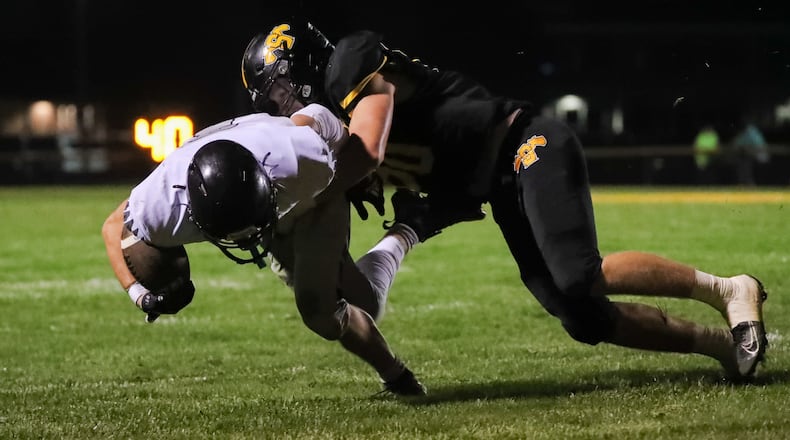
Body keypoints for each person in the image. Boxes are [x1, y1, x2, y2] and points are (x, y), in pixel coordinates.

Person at [239, 19, 769, 380]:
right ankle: (719, 347)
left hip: (524, 141)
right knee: (581, 317)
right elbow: (360, 275)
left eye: (280, 91)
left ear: (299, 68)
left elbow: (370, 150)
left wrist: (302, 198)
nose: (281, 107)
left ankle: (729, 289)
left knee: (578, 274)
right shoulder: (329, 135)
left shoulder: (348, 65)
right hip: (494, 183)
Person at [101, 103, 427, 396]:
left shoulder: (300, 159)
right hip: (265, 199)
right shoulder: (159, 207)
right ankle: (397, 373)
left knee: (330, 305)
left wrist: (353, 173)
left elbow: (320, 118)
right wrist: (140, 295)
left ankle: (408, 229)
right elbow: (113, 227)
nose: (243, 239)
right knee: (340, 311)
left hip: (306, 195)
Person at [730, 119, 770, 186]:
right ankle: (745, 181)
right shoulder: (748, 133)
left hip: (760, 156)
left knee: (745, 161)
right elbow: (737, 143)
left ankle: (748, 182)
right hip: (753, 156)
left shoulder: (751, 133)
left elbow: (756, 146)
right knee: (743, 160)